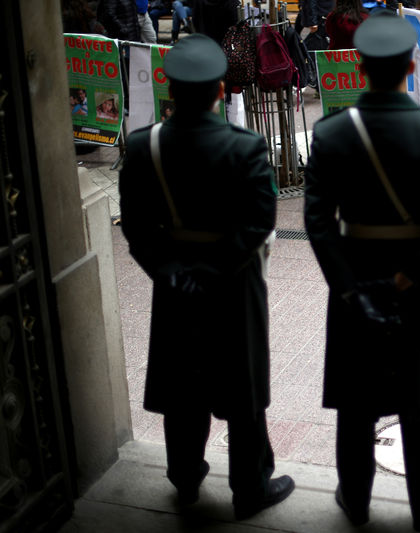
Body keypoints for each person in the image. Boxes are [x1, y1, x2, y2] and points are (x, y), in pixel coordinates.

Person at [304, 12, 420, 533]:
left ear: (359, 66)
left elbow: (317, 223)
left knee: (357, 399)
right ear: (412, 64)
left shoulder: (331, 133)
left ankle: (354, 498)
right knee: (418, 397)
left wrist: (352, 289)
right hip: (416, 284)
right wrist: (406, 281)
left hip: (355, 277)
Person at [118, 33, 294, 520]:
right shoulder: (246, 146)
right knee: (242, 388)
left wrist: (172, 273)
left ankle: (186, 478)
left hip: (174, 286)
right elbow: (259, 224)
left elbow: (135, 226)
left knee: (183, 384)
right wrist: (214, 271)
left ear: (169, 89)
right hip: (234, 285)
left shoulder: (143, 146)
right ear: (221, 90)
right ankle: (250, 486)